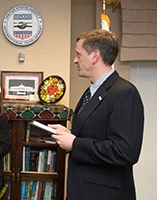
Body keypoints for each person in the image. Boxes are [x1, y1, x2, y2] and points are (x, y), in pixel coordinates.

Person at [49, 29, 144, 200]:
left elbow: (125, 151)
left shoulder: (124, 93)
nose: (75, 60)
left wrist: (75, 144)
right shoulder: (91, 91)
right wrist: (69, 136)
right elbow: (94, 133)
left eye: (78, 54)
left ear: (95, 56)